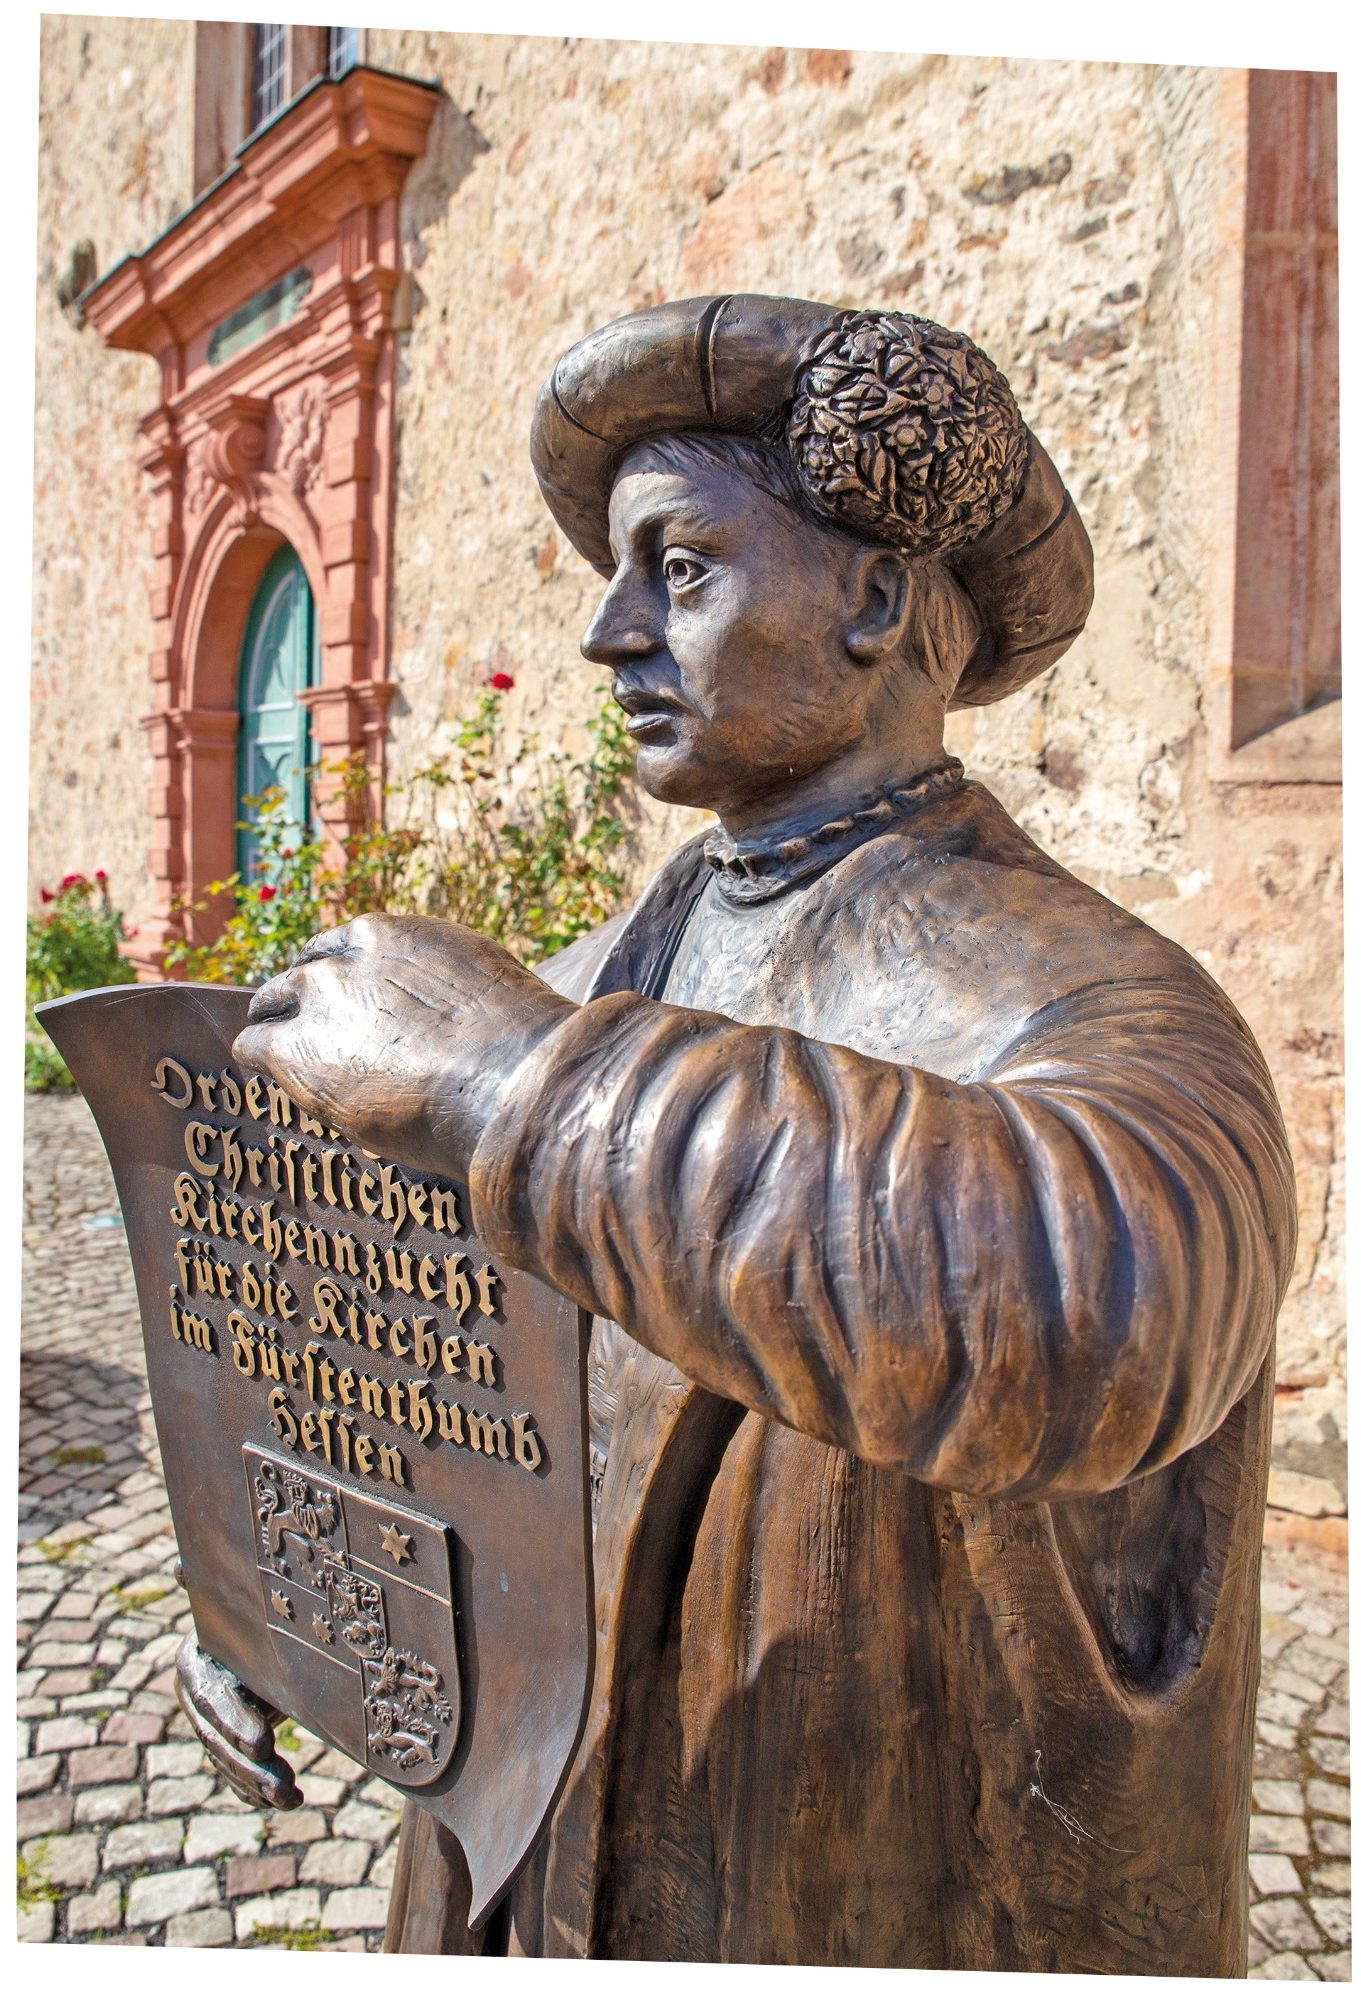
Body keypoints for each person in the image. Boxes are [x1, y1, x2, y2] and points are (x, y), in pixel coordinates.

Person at [179, 295, 1296, 1974]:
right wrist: (285, 1589)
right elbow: (429, 1347)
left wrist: (515, 1089)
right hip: (534, 1849)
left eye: (678, 568)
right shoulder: (619, 961)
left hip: (856, 1882)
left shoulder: (1087, 997)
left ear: (872, 600)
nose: (607, 634)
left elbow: (1110, 1296)